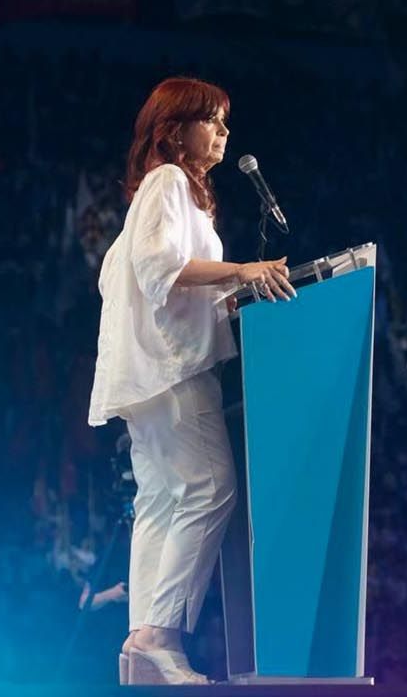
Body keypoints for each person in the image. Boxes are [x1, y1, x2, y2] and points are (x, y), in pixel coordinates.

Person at [87, 76, 296, 684]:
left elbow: (166, 281)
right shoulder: (168, 181)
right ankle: (159, 634)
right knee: (210, 489)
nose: (225, 132)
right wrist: (243, 269)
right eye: (214, 120)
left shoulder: (167, 195)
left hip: (149, 375)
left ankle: (140, 643)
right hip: (173, 370)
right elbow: (162, 271)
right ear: (176, 131)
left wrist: (236, 291)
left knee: (161, 500)